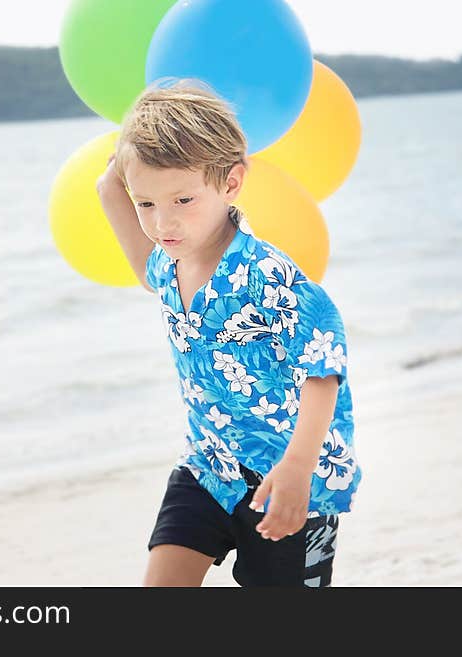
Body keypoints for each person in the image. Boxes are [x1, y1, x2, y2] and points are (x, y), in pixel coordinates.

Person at [95, 79, 361, 587]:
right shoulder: (169, 265)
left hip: (289, 482)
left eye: (183, 200)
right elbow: (140, 263)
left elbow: (322, 369)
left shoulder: (265, 274)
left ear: (231, 183)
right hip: (208, 466)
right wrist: (111, 186)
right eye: (146, 204)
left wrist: (298, 467)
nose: (162, 222)